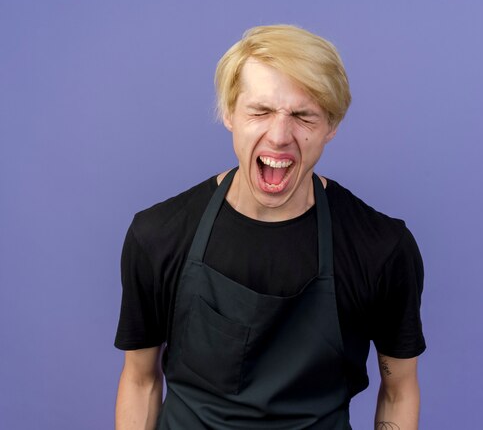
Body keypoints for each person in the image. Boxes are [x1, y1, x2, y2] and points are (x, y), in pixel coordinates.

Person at [114, 24, 426, 429]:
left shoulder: (382, 249)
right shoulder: (158, 236)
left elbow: (399, 390)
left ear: (331, 126)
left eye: (303, 116)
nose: (279, 136)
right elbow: (140, 381)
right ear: (229, 113)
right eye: (259, 111)